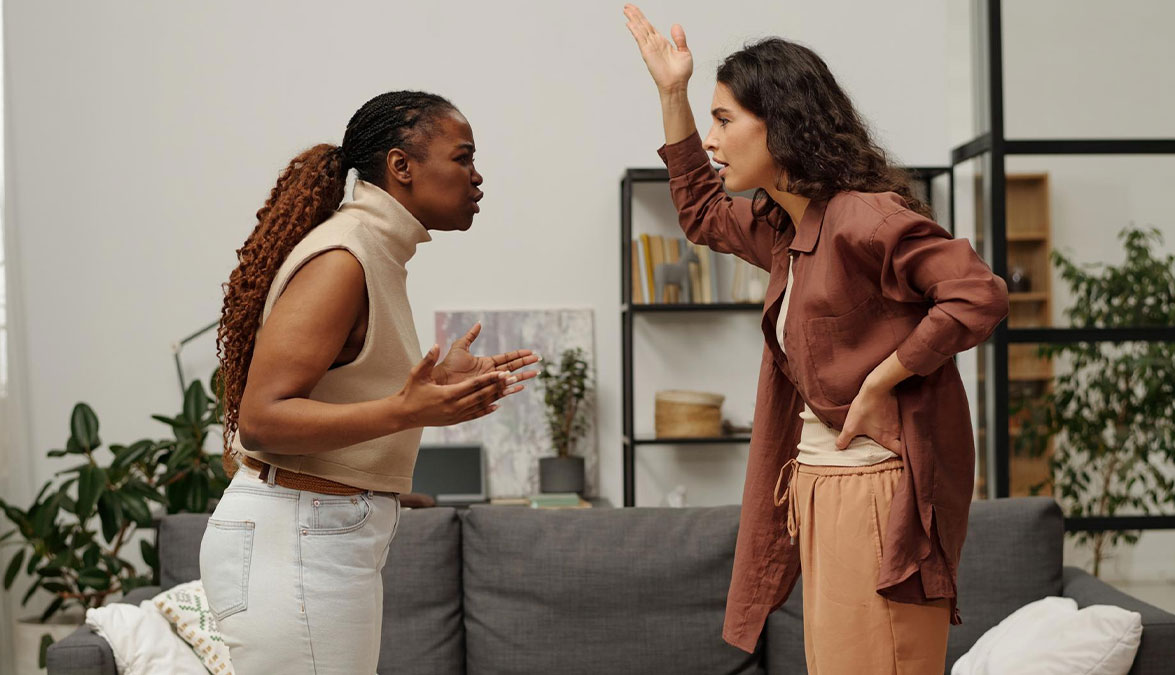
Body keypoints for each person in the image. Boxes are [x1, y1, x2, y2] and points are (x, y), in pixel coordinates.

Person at [623, 6, 1010, 672]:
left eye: (725, 121)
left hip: (878, 491)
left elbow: (978, 293)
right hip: (817, 486)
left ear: (783, 123)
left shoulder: (864, 216)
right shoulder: (783, 227)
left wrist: (883, 378)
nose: (713, 142)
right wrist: (671, 94)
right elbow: (701, 212)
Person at [199, 90, 539, 674]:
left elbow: (344, 384)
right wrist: (410, 409)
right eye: (463, 158)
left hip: (321, 537)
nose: (478, 177)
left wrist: (430, 385)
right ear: (400, 166)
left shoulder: (377, 251)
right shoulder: (344, 257)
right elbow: (261, 418)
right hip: (297, 540)